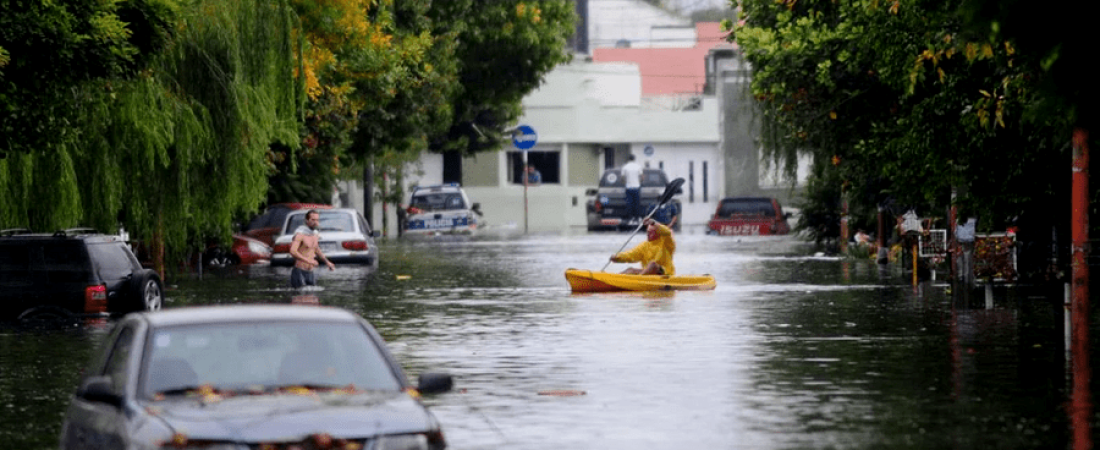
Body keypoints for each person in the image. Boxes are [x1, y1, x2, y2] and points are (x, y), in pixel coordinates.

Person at [609, 216, 676, 275]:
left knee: (652, 264)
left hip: (665, 274)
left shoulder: (666, 242)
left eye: (651, 232)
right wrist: (618, 257)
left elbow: (667, 232)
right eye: (647, 232)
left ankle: (637, 281)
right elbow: (630, 255)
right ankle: (614, 279)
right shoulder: (644, 245)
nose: (648, 234)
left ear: (658, 232)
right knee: (630, 270)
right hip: (647, 274)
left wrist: (653, 222)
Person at [289, 210, 335, 288]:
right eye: (313, 220)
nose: (315, 222)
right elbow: (292, 251)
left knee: (312, 298)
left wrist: (327, 262)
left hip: (310, 272)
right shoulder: (300, 234)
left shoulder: (315, 234)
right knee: (301, 297)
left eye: (317, 220)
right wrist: (309, 261)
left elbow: (316, 249)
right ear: (307, 221)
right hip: (299, 271)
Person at [621, 154, 643, 224]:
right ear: (634, 159)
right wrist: (639, 182)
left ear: (628, 159)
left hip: (628, 187)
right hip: (636, 187)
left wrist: (625, 183)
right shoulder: (638, 166)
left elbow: (622, 178)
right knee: (637, 203)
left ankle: (630, 219)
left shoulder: (625, 167)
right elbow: (642, 177)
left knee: (629, 203)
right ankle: (637, 218)